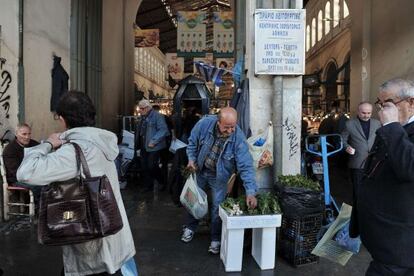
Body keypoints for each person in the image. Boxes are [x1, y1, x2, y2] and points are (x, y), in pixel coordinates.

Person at [16, 91, 136, 275]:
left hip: (92, 245)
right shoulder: (102, 142)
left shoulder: (74, 151)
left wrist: (48, 144)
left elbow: (25, 173)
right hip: (114, 233)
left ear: (63, 119)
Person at [349, 78, 414, 275]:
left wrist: (392, 126)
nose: (382, 111)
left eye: (388, 104)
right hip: (383, 242)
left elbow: (409, 167)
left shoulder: (393, 128)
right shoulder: (392, 128)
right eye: (380, 104)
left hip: (399, 247)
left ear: (411, 103)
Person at [182, 107, 257, 255]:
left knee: (217, 208)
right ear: (218, 122)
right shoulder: (204, 124)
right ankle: (190, 227)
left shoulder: (238, 138)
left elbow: (246, 166)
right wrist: (191, 159)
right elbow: (191, 143)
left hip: (219, 177)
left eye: (233, 126)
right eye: (227, 127)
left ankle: (215, 238)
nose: (230, 130)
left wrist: (250, 191)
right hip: (200, 170)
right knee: (193, 200)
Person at [341, 102, 381, 199]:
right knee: (358, 190)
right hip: (357, 162)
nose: (366, 115)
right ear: (358, 112)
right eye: (363, 113)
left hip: (373, 163)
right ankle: (357, 211)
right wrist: (346, 147)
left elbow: (381, 139)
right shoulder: (349, 124)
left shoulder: (377, 123)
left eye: (369, 113)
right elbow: (341, 139)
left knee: (372, 190)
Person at [135, 99, 169, 192]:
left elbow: (163, 130)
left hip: (153, 146)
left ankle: (162, 181)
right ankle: (148, 185)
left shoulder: (158, 116)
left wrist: (154, 141)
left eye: (141, 109)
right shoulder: (142, 117)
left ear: (147, 108)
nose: (140, 110)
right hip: (143, 145)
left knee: (151, 166)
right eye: (139, 108)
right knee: (144, 166)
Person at [3, 123, 40, 200]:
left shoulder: (34, 144)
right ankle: (39, 209)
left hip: (33, 176)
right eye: (24, 134)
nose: (27, 137)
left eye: (29, 134)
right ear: (16, 134)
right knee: (40, 187)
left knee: (52, 183)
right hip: (17, 179)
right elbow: (16, 171)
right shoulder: (10, 149)